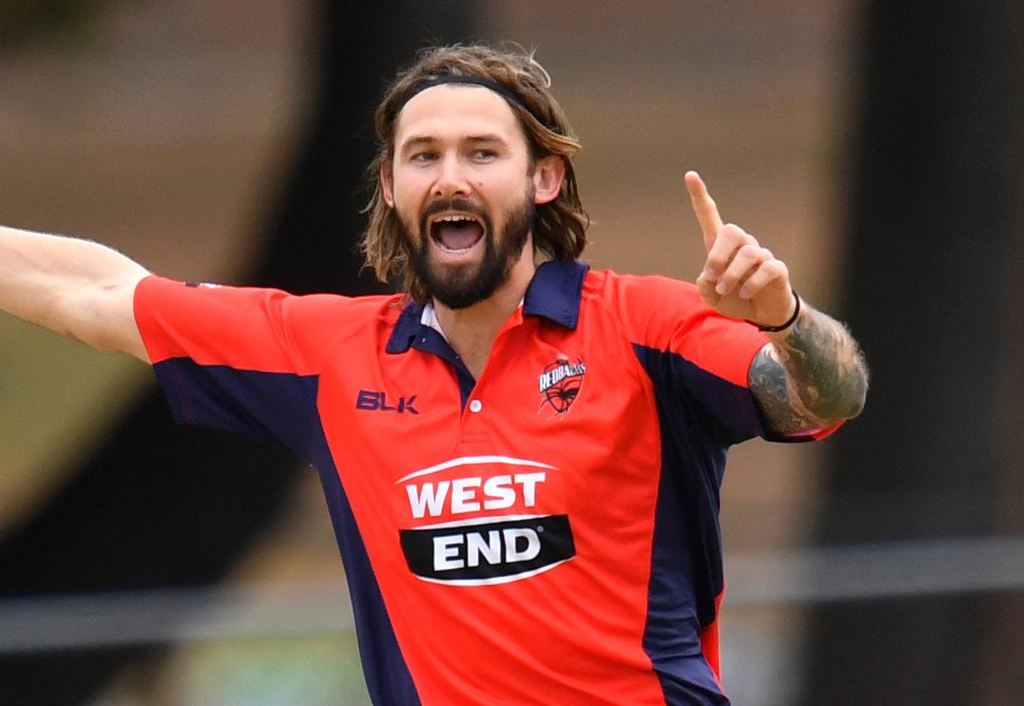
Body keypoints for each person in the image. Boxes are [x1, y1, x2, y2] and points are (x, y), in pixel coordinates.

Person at [0, 43, 867, 705]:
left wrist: (787, 321)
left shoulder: (648, 324)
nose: (451, 176)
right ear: (391, 185)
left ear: (543, 178)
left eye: (482, 153)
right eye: (424, 156)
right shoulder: (330, 353)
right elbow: (105, 293)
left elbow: (825, 396)